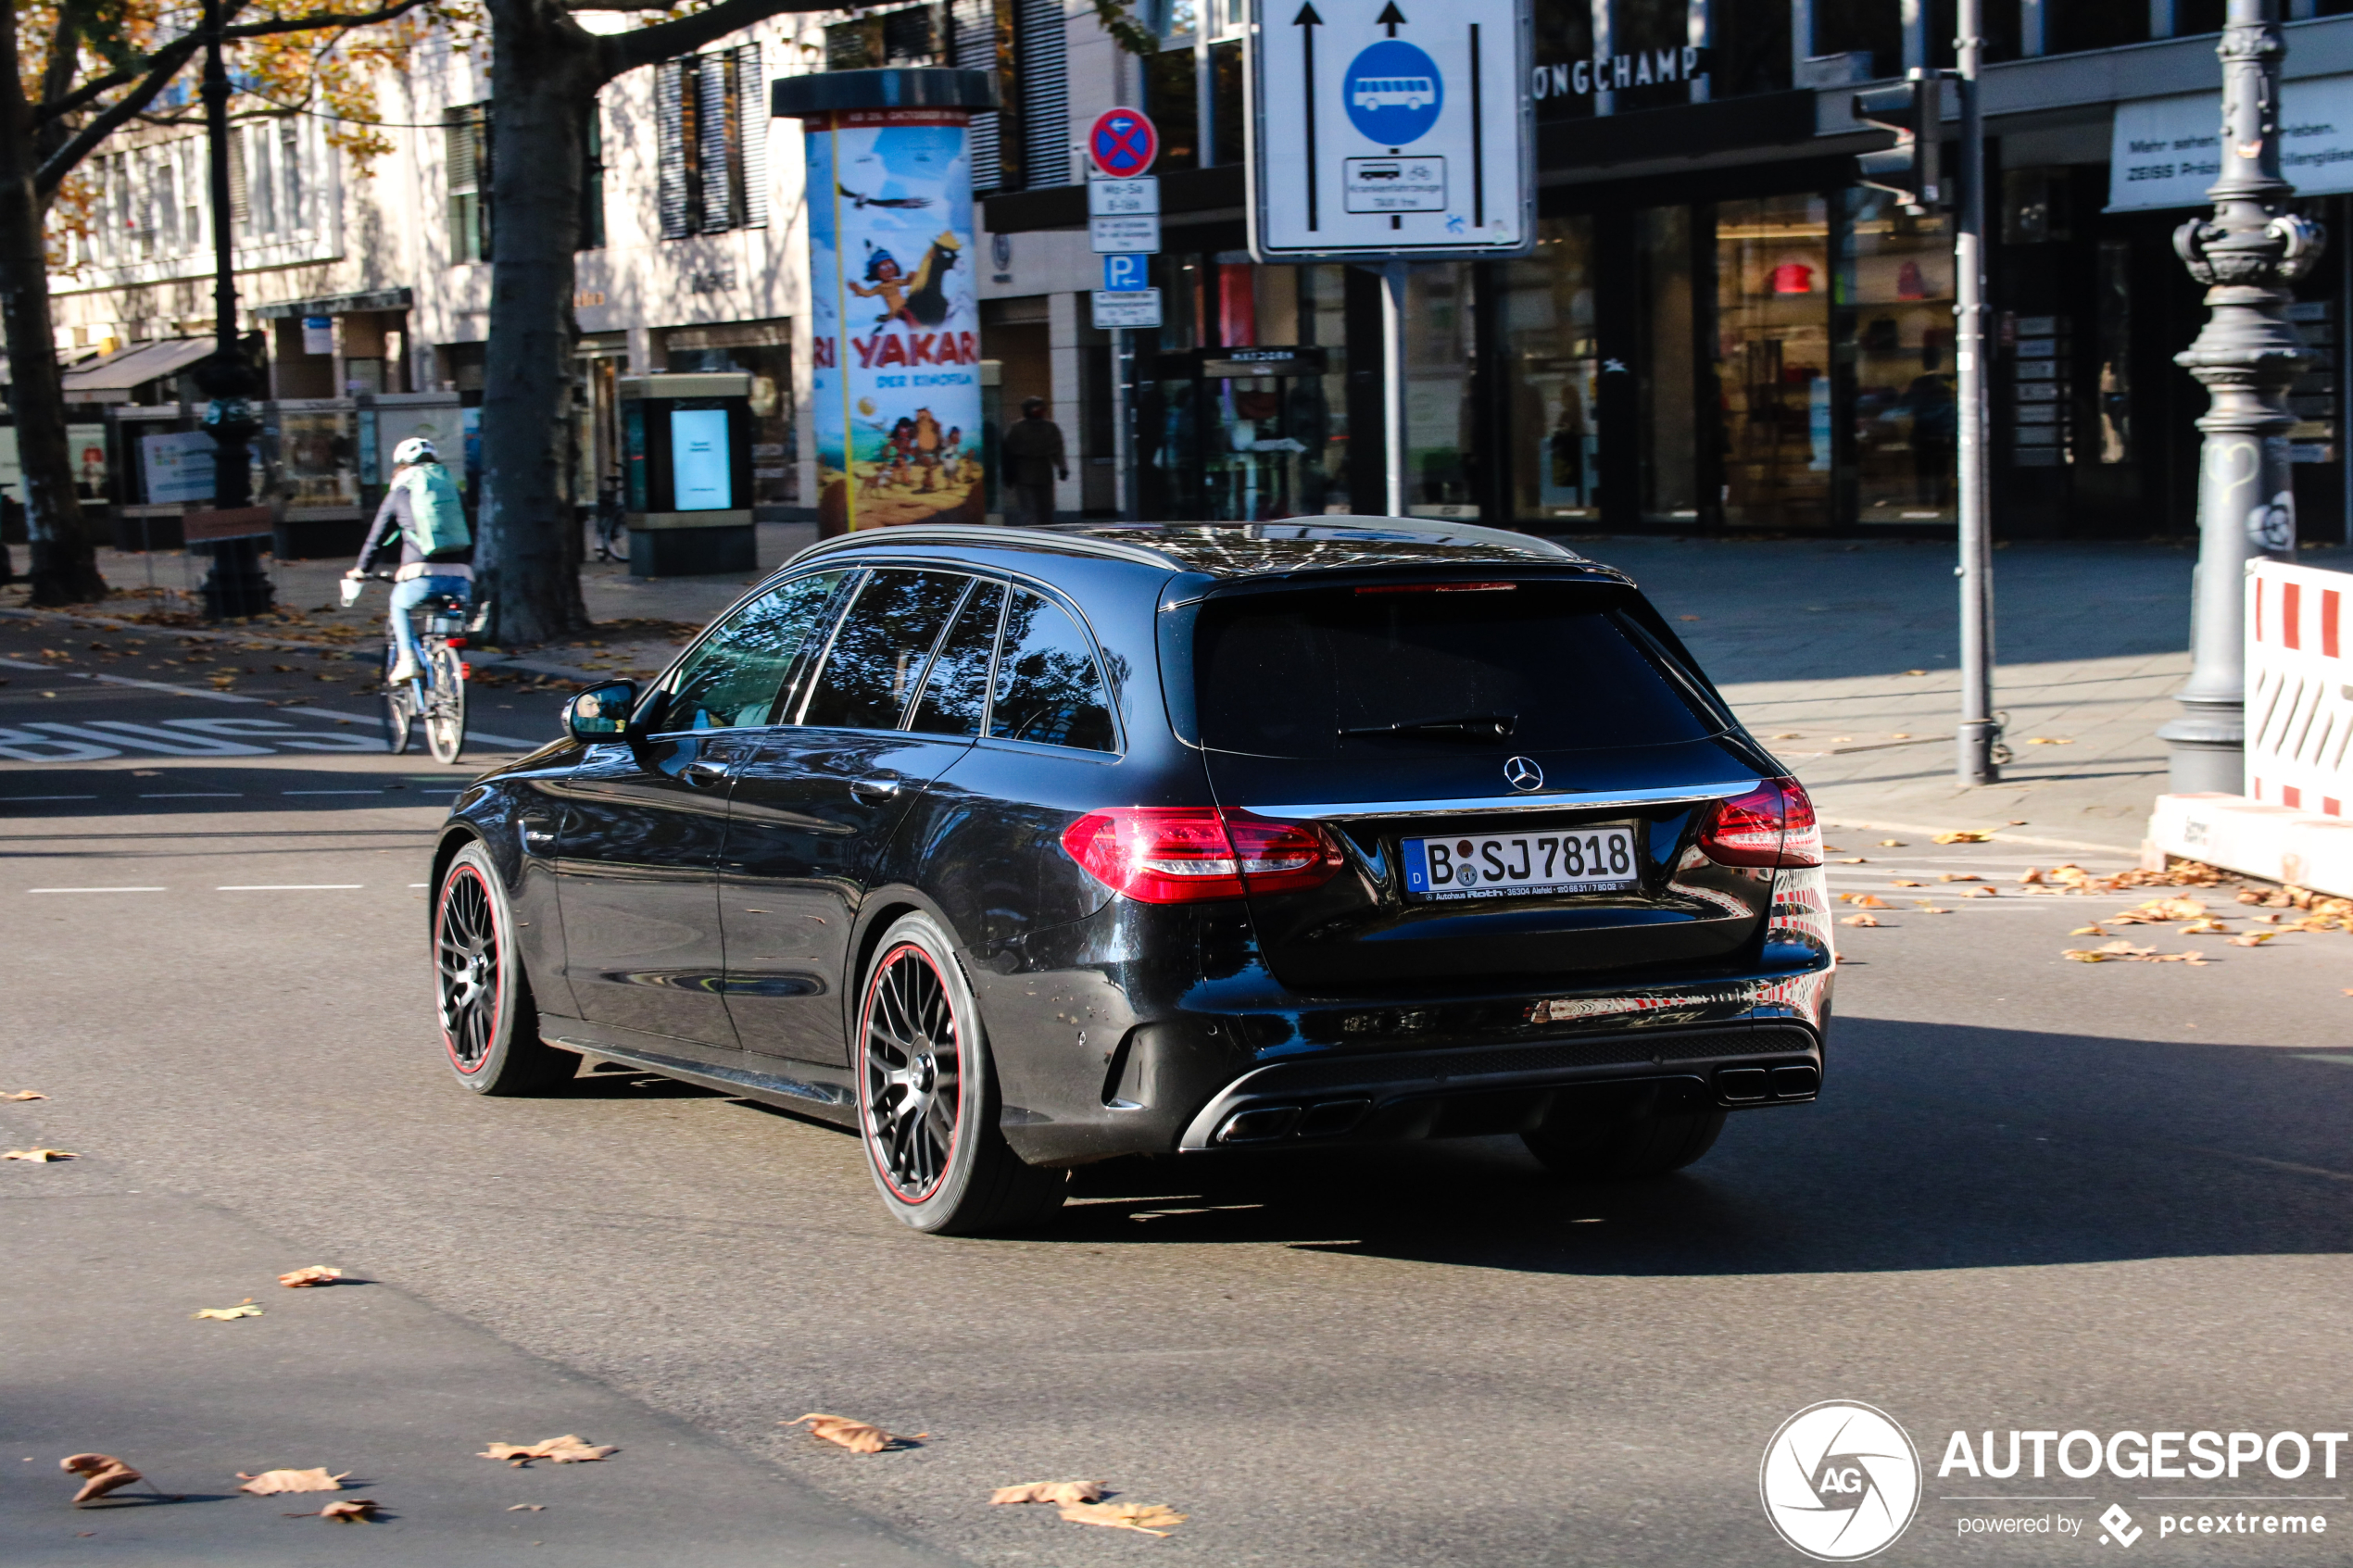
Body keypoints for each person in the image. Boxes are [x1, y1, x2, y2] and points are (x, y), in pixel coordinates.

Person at [347, 437, 472, 683]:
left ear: (401, 465)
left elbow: (377, 537)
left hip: (421, 577)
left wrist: (360, 570)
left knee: (399, 604)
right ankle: (452, 676)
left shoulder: (400, 491)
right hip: (462, 578)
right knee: (451, 627)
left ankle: (407, 661)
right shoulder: (451, 488)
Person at [1000, 396, 1066, 528]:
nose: (1039, 411)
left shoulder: (1050, 427)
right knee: (1030, 512)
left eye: (1041, 409)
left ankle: (1048, 535)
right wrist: (1008, 475)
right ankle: (1033, 536)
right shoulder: (1017, 428)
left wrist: (1062, 467)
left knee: (1046, 510)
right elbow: (1008, 453)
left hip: (1044, 473)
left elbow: (1058, 449)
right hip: (1023, 474)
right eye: (1035, 408)